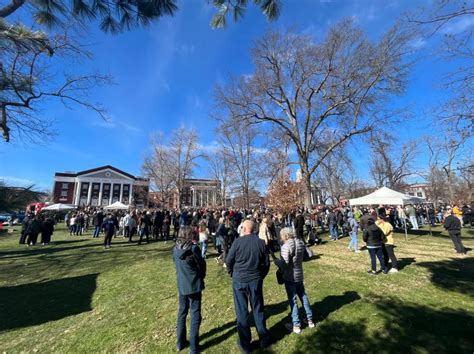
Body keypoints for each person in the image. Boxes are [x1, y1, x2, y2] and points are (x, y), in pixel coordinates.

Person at [225, 219, 271, 353]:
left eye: (241, 228)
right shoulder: (251, 242)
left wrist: (260, 275)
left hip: (249, 279)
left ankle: (253, 341)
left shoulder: (256, 242)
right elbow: (229, 262)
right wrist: (232, 273)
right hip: (246, 279)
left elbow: (266, 264)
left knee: (244, 311)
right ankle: (252, 341)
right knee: (256, 309)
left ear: (244, 229)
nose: (240, 230)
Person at [271, 227, 314, 334]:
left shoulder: (286, 246)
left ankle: (296, 325)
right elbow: (309, 254)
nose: (280, 237)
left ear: (285, 235)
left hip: (290, 276)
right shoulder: (300, 242)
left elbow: (284, 264)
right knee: (303, 296)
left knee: (293, 300)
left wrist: (275, 261)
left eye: (281, 235)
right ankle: (310, 320)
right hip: (299, 275)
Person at [173, 226, 206, 354]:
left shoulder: (176, 249)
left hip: (183, 283)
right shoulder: (193, 249)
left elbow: (201, 264)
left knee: (182, 312)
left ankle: (180, 343)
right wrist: (200, 276)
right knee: (194, 314)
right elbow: (201, 265)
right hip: (192, 284)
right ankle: (192, 346)